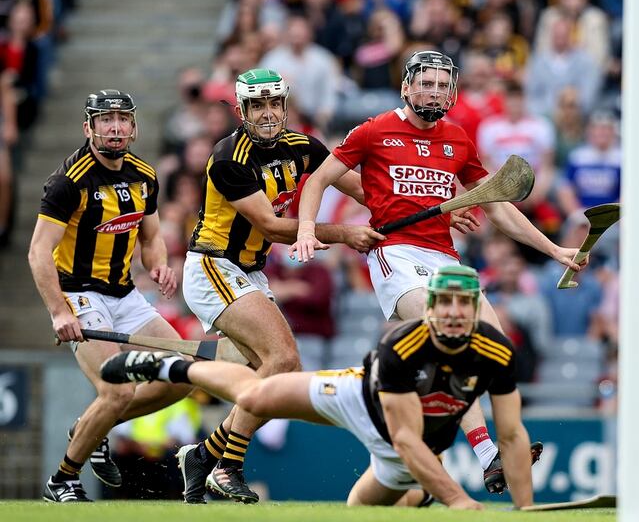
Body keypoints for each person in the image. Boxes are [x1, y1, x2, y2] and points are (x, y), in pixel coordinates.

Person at [290, 50, 585, 492]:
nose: (433, 90)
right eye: (425, 83)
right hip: (396, 252)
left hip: (445, 257)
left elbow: (496, 205)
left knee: (494, 342)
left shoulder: (458, 138)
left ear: (452, 92)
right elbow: (318, 179)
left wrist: (554, 249)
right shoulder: (373, 131)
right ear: (407, 87)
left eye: (442, 84)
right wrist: (309, 229)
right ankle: (489, 453)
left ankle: (499, 446)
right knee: (451, 336)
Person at [100, 266, 535, 510]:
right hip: (359, 402)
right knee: (257, 395)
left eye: (465, 303)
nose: (456, 312)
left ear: (477, 306)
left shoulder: (495, 351)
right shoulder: (403, 345)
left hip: (406, 449)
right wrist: (458, 501)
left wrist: (525, 507)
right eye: (446, 302)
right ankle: (176, 369)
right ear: (431, 306)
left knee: (362, 511)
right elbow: (402, 435)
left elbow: (512, 435)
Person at [173, 68, 385, 504]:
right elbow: (271, 226)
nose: (267, 113)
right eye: (257, 105)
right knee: (283, 358)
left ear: (285, 105)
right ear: (241, 111)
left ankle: (203, 457)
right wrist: (345, 233)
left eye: (273, 103)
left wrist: (416, 205)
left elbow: (361, 189)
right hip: (214, 266)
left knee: (278, 377)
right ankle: (228, 467)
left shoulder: (303, 146)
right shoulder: (229, 156)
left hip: (249, 272)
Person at [27, 89, 193, 502]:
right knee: (116, 390)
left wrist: (158, 264)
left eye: (122, 119)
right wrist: (57, 311)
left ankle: (91, 424)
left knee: (185, 373)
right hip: (80, 296)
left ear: (134, 127)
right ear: (88, 127)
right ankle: (63, 479)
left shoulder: (144, 175)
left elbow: (150, 236)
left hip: (126, 295)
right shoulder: (68, 181)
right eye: (105, 120)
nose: (115, 127)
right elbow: (37, 252)